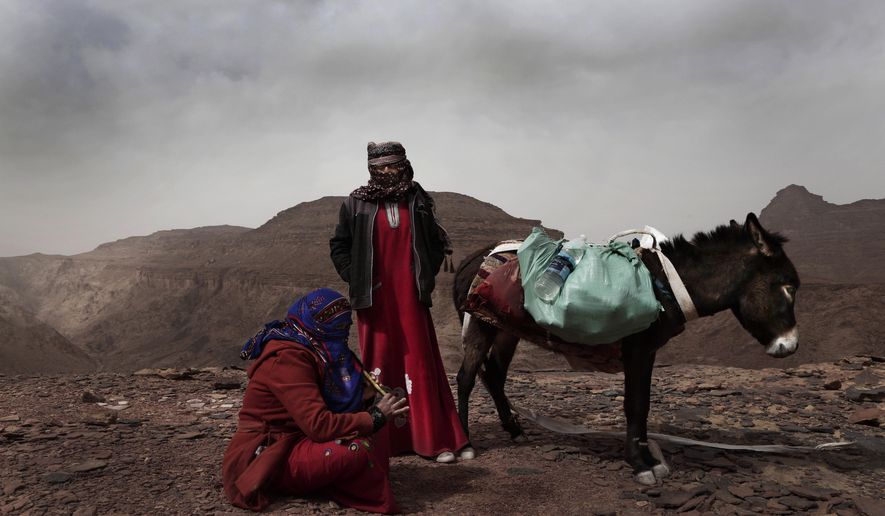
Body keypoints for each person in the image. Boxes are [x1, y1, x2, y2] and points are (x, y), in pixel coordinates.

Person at [329, 141, 472, 463]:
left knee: (419, 363)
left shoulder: (418, 199)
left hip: (410, 295)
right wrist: (356, 276)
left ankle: (433, 438)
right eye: (380, 168)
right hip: (375, 297)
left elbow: (435, 242)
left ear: (405, 165)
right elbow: (339, 244)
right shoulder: (355, 203)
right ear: (370, 169)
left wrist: (424, 275)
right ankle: (385, 441)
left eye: (393, 166)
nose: (387, 172)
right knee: (379, 361)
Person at [222, 288, 408, 513]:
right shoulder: (289, 357)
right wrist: (374, 416)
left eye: (345, 327)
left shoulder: (317, 347)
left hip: (299, 438)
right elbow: (319, 425)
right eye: (337, 328)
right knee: (357, 447)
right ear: (319, 326)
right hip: (272, 452)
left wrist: (366, 398)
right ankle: (321, 481)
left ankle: (327, 478)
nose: (342, 334)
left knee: (377, 424)